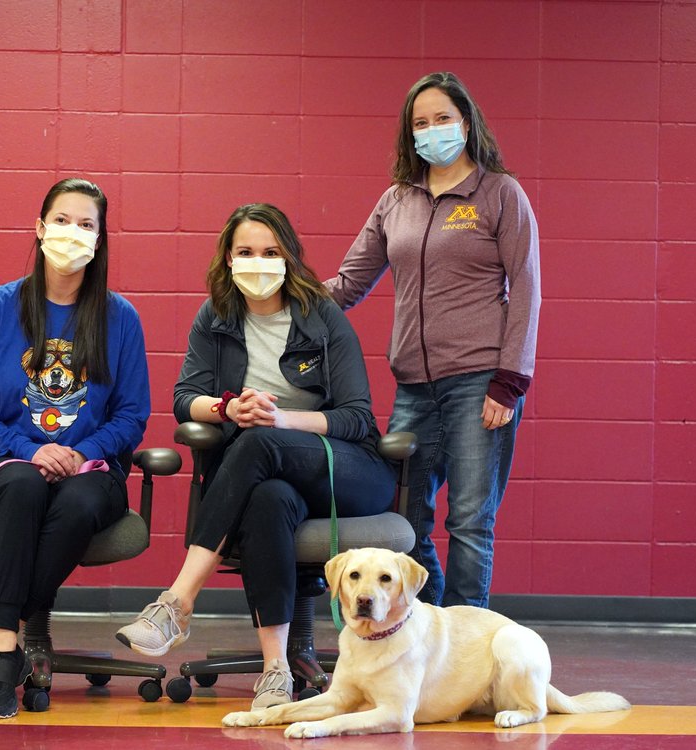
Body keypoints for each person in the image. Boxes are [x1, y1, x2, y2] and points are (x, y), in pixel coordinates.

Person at [115, 203, 395, 710]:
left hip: (344, 468)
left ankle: (177, 601)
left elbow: (357, 417)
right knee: (267, 498)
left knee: (260, 439)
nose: (258, 262)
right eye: (245, 252)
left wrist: (282, 419)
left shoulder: (322, 315)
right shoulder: (216, 317)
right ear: (228, 258)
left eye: (270, 252)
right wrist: (228, 408)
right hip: (262, 475)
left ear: (289, 257)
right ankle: (276, 670)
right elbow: (184, 399)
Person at [326, 71, 541, 609]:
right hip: (414, 389)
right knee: (402, 517)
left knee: (469, 519)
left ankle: (465, 636)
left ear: (466, 123)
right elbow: (348, 283)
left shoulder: (500, 193)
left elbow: (527, 288)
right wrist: (279, 294)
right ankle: (426, 627)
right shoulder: (396, 200)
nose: (431, 130)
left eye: (442, 118)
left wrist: (510, 381)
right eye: (420, 123)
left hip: (480, 383)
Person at [0, 178, 150, 719]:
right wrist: (28, 449)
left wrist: (81, 453)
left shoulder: (121, 318)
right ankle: (5, 648)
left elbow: (132, 415)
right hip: (7, 461)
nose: (72, 233)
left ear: (100, 240)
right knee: (24, 485)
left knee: (78, 501)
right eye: (61, 220)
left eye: (86, 224)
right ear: (39, 228)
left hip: (93, 468)